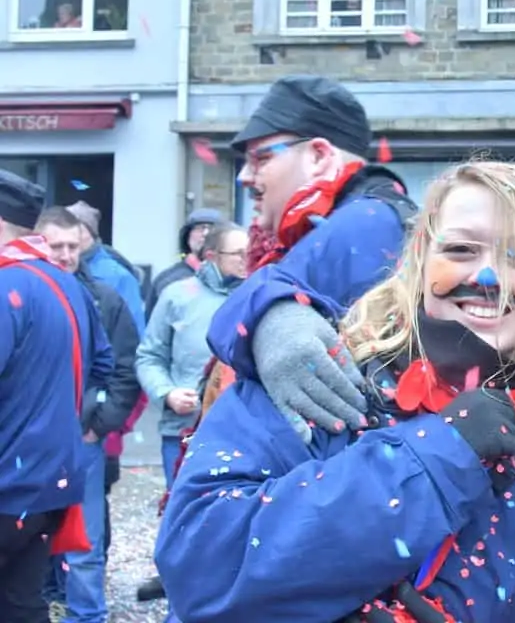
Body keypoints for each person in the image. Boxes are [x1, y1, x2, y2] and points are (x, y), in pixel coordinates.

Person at [156, 161, 515, 621]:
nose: (488, 278)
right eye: (460, 249)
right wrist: (437, 458)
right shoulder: (317, 379)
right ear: (419, 264)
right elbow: (199, 567)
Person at [135, 75, 416, 606]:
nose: (246, 175)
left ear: (319, 155)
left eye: (262, 157)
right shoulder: (353, 220)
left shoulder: (363, 224)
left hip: (298, 510)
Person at [0, 173, 114, 623]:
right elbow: (103, 363)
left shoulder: (7, 285)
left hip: (8, 480)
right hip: (51, 478)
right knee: (22, 602)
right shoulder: (68, 284)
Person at [35, 206, 143, 613]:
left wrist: (100, 425)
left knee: (84, 542)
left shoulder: (104, 299)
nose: (65, 255)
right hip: (28, 437)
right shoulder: (18, 291)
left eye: (72, 246)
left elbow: (125, 367)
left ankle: (86, 615)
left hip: (82, 438)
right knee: (26, 533)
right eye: (56, 246)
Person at [137, 223, 249, 488]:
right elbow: (149, 357)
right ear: (212, 256)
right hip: (183, 429)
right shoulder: (176, 296)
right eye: (239, 254)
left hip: (244, 431)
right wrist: (167, 393)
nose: (248, 260)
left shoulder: (258, 295)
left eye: (250, 252)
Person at [66, 200, 146, 335]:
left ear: (91, 234)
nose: (70, 235)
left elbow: (134, 329)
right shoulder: (57, 267)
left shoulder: (119, 275)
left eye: (77, 230)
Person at [146, 208, 225, 317]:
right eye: (200, 228)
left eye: (212, 229)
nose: (205, 233)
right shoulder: (168, 280)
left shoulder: (232, 279)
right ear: (187, 236)